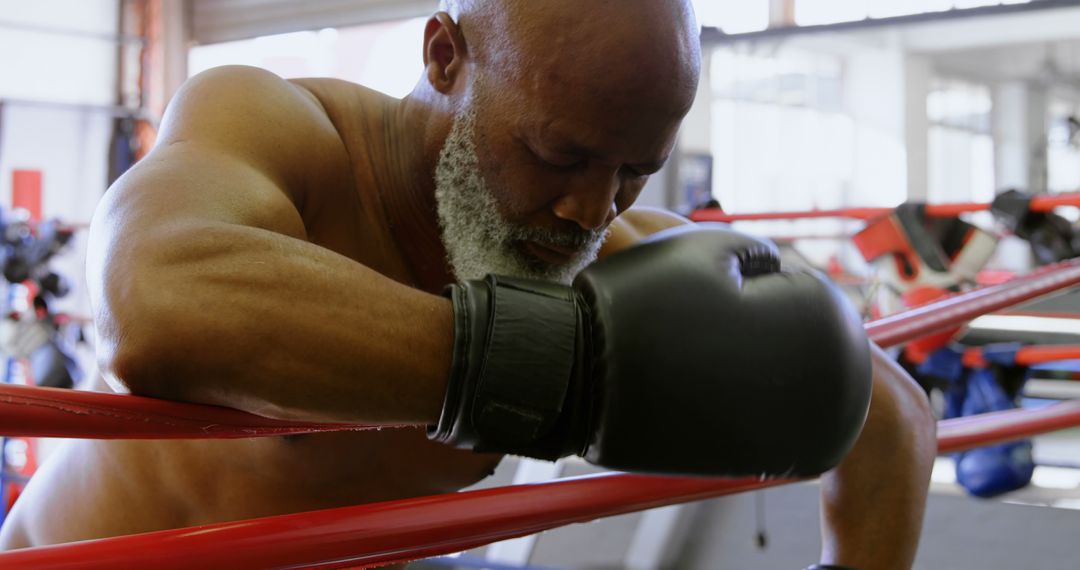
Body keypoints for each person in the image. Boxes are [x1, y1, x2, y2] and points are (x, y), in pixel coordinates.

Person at [0, 1, 936, 568]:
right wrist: (568, 379)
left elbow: (882, 406)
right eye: (557, 153)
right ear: (445, 56)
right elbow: (153, 296)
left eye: (634, 172)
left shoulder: (600, 252)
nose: (589, 211)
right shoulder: (283, 130)